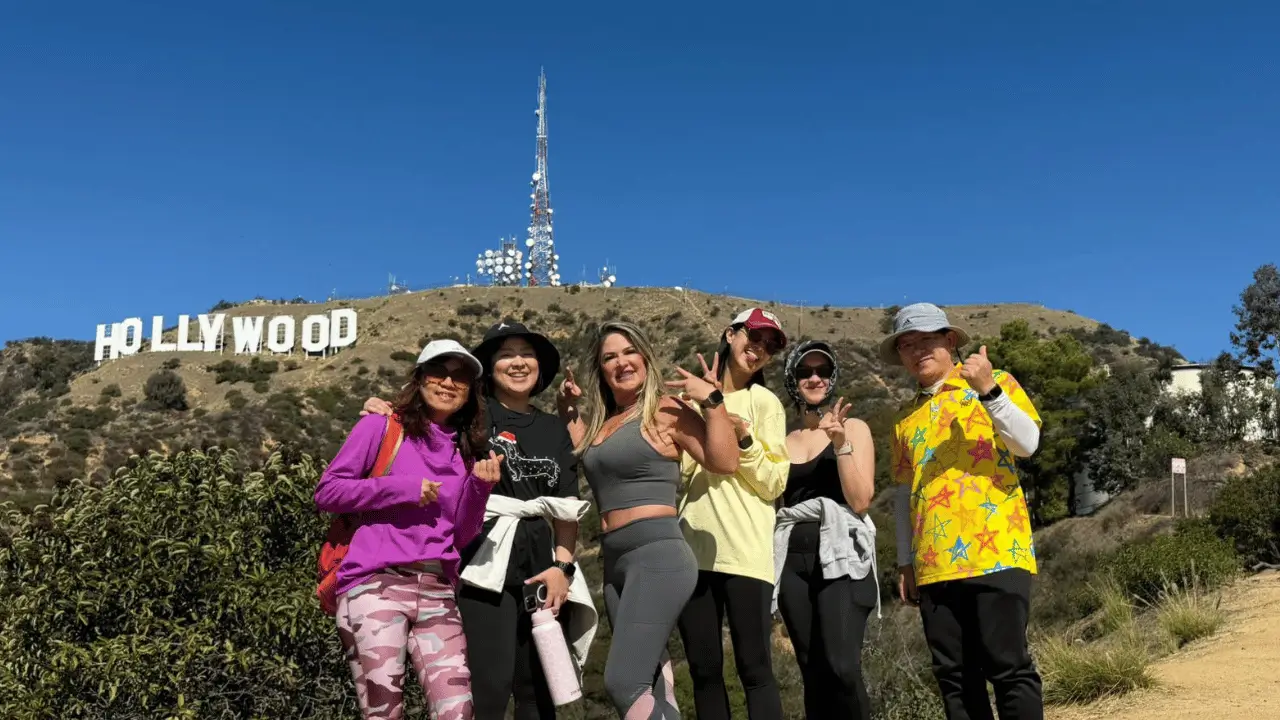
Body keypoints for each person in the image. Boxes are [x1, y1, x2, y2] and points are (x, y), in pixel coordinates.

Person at [361, 322, 596, 720]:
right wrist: (381, 411)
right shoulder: (469, 418)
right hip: (482, 564)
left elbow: (566, 506)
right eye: (506, 354)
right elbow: (420, 422)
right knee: (486, 689)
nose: (518, 362)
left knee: (538, 691)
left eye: (526, 354)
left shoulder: (554, 429)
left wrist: (562, 567)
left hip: (544, 567)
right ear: (489, 367)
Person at [314, 339, 504, 720]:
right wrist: (400, 489)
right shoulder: (381, 427)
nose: (449, 383)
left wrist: (481, 489)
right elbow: (327, 491)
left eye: (461, 377)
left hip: (437, 590)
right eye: (439, 372)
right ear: (419, 379)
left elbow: (461, 535)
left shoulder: (466, 450)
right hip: (374, 584)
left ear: (471, 393)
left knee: (458, 712)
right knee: (384, 711)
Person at [561, 320, 739, 719]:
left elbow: (725, 463)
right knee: (653, 682)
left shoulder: (664, 409)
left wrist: (713, 401)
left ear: (644, 357)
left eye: (629, 352)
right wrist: (566, 407)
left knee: (623, 682)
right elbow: (580, 451)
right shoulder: (601, 425)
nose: (621, 362)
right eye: (610, 357)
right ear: (600, 369)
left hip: (657, 556)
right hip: (615, 564)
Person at [883, 303, 1045, 720]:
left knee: (1009, 668)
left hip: (997, 552)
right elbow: (904, 493)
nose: (917, 351)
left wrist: (989, 392)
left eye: (926, 341)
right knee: (954, 679)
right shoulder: (904, 419)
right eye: (907, 345)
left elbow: (1027, 444)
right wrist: (905, 562)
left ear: (950, 341)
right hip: (934, 564)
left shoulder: (998, 383)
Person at [674, 308, 791, 720]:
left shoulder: (766, 403)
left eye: (769, 346)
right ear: (729, 334)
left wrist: (744, 439)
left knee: (755, 669)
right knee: (704, 671)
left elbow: (776, 482)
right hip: (692, 550)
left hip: (747, 553)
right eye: (753, 338)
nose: (758, 350)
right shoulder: (690, 397)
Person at [772, 341, 878, 720]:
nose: (814, 378)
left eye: (822, 371)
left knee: (842, 667)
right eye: (804, 371)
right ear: (792, 379)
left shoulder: (855, 428)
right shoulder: (780, 441)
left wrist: (840, 444)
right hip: (791, 563)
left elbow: (861, 500)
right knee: (812, 671)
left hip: (842, 557)